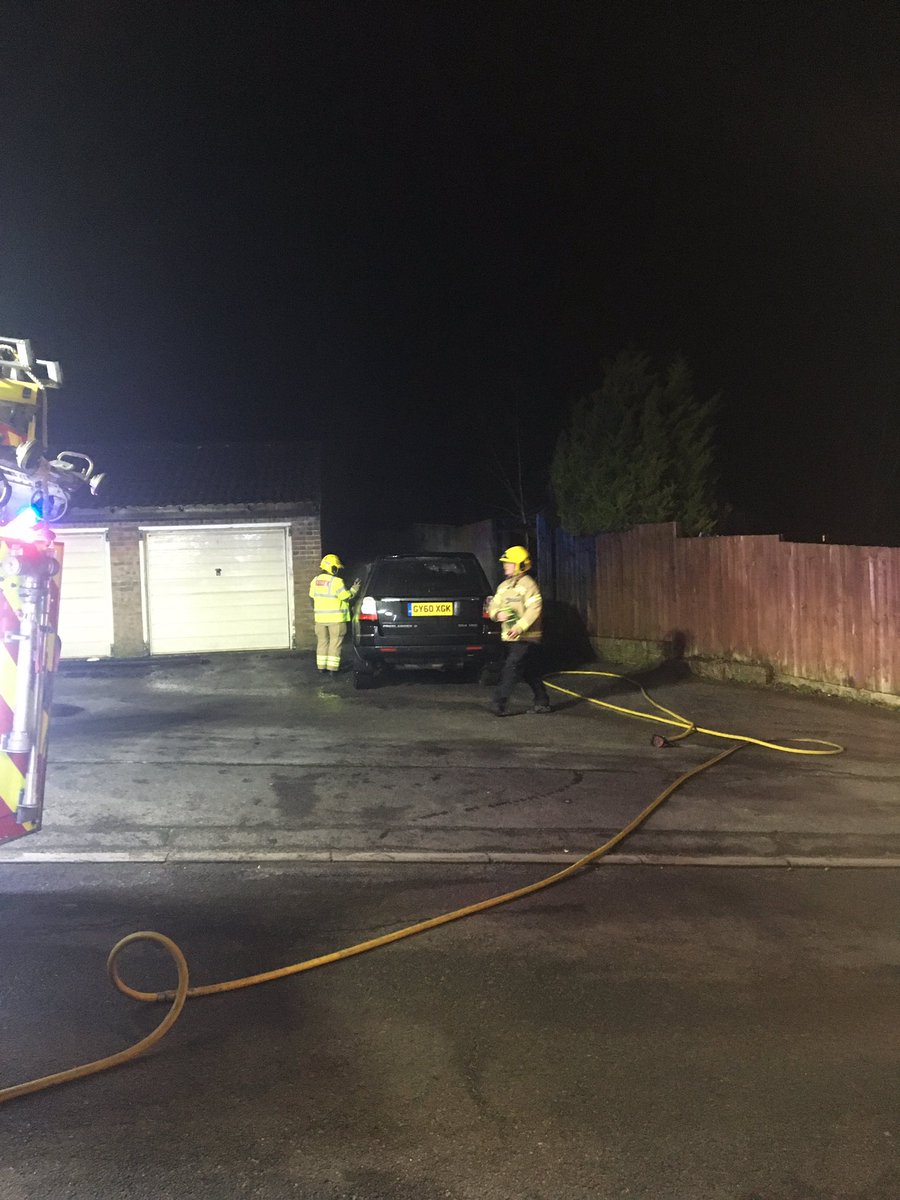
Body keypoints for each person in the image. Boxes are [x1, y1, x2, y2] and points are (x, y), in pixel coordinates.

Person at [487, 545, 551, 716]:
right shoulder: (503, 587)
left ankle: (499, 703)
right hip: (510, 637)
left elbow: (534, 609)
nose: (505, 566)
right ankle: (542, 700)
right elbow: (494, 605)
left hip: (526, 637)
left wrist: (519, 627)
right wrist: (496, 614)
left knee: (511, 667)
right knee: (529, 670)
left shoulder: (529, 586)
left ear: (520, 565)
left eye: (509, 563)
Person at [309, 554, 359, 676]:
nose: (337, 571)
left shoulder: (315, 581)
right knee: (335, 643)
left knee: (322, 642)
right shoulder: (336, 582)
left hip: (320, 619)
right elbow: (346, 596)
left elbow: (311, 598)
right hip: (336, 619)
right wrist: (354, 589)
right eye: (337, 568)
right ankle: (332, 669)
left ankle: (321, 667)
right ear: (333, 568)